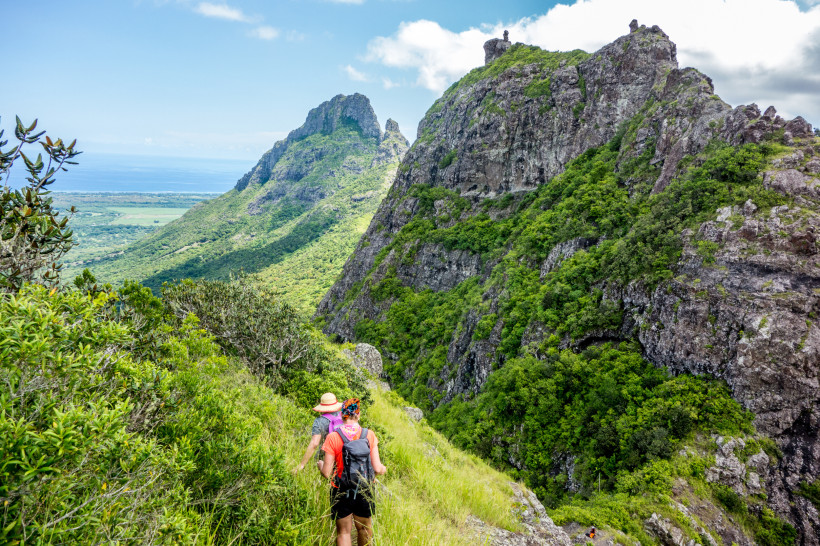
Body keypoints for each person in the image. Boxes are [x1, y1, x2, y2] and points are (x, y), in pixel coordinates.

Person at [321, 398, 387, 546]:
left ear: (342, 415)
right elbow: (377, 468)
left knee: (344, 532)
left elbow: (326, 473)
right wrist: (384, 469)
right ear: (358, 414)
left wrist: (320, 466)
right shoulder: (369, 435)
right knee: (364, 528)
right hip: (365, 488)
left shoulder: (333, 437)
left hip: (341, 489)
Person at [295, 392, 343, 473]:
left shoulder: (319, 421)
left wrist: (302, 464)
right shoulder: (344, 416)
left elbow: (315, 443)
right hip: (343, 453)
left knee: (317, 465)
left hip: (326, 454)